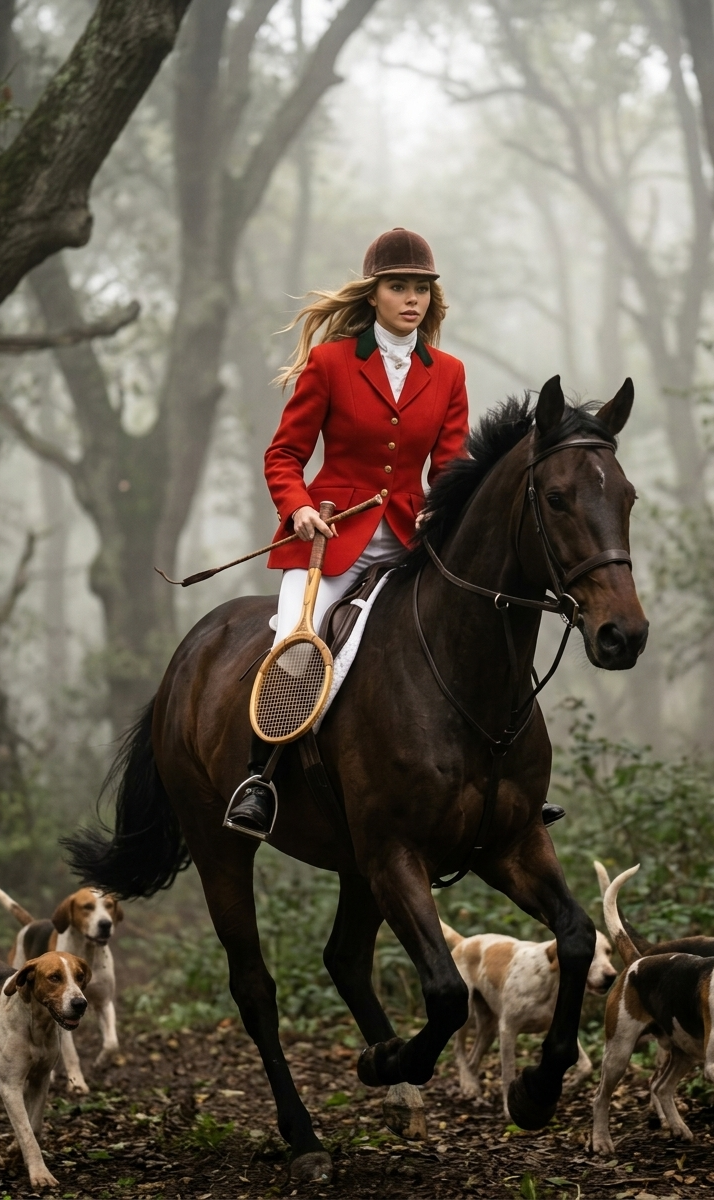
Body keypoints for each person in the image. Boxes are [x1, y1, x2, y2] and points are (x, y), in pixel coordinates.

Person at [226, 227, 564, 836]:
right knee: (297, 652)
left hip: (413, 542)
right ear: (374, 294)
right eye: (399, 287)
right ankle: (261, 781)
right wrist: (300, 507)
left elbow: (451, 469)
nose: (412, 299)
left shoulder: (450, 373)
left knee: (478, 639)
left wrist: (447, 514)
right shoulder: (331, 364)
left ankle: (504, 781)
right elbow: (283, 455)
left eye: (421, 290)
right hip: (331, 543)